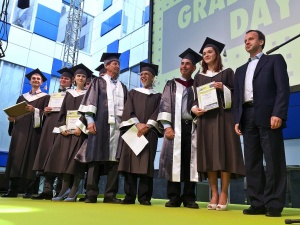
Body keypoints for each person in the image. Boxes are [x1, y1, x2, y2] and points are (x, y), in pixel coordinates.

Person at [233, 30, 290, 217]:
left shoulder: (274, 60)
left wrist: (278, 113)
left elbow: (283, 89)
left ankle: (274, 204)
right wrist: (237, 119)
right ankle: (257, 203)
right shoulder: (240, 70)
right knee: (251, 163)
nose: (247, 42)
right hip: (247, 115)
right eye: (245, 40)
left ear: (261, 41)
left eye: (251, 39)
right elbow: (237, 98)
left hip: (268, 114)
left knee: (273, 160)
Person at [191, 37, 245, 211]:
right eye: (204, 53)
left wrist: (224, 88)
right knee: (209, 154)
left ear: (217, 54)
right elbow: (194, 99)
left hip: (224, 117)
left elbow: (237, 95)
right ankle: (213, 192)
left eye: (210, 52)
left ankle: (224, 193)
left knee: (225, 153)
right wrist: (194, 109)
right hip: (206, 119)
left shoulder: (228, 72)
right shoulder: (198, 77)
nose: (206, 55)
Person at [78, 53, 128, 204]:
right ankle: (91, 193)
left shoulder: (122, 86)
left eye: (118, 64)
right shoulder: (97, 82)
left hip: (118, 127)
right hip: (100, 124)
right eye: (114, 63)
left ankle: (110, 195)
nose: (117, 66)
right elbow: (90, 101)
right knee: (94, 158)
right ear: (106, 66)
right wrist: (90, 120)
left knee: (114, 160)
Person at [158, 48, 202, 209]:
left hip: (192, 128)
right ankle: (174, 197)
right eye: (182, 63)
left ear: (194, 67)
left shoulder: (197, 85)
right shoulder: (171, 84)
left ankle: (189, 197)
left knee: (191, 163)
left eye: (188, 64)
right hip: (175, 128)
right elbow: (164, 105)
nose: (184, 66)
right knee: (174, 161)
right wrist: (167, 126)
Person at [43, 63, 92, 202]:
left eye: (83, 76)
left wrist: (80, 127)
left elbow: (87, 113)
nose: (81, 78)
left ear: (86, 79)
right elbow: (62, 113)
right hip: (66, 132)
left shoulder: (88, 94)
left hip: (79, 132)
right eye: (78, 76)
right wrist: (62, 128)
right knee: (64, 160)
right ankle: (64, 189)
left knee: (76, 162)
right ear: (74, 78)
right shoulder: (68, 94)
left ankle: (74, 189)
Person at [117, 62, 163, 205]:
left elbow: (159, 112)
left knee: (146, 164)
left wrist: (148, 125)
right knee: (129, 163)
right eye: (142, 74)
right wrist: (138, 124)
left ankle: (144, 197)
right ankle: (130, 196)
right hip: (133, 130)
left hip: (150, 132)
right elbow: (128, 109)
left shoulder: (159, 96)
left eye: (147, 74)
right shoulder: (133, 93)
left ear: (153, 77)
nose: (143, 76)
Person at [2, 69, 50, 198]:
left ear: (42, 82)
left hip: (34, 131)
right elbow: (16, 113)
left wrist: (35, 110)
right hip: (20, 130)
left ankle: (30, 190)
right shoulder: (22, 97)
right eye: (33, 78)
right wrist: (12, 119)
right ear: (30, 81)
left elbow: (46, 115)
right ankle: (12, 190)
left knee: (31, 158)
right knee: (15, 157)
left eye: (38, 79)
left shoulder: (46, 97)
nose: (35, 80)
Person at [31, 68, 73, 200]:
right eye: (61, 78)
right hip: (50, 126)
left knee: (60, 156)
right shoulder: (52, 95)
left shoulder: (73, 94)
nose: (63, 80)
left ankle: (61, 190)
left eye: (66, 78)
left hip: (63, 126)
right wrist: (46, 111)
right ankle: (47, 190)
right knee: (47, 155)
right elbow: (44, 113)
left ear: (71, 81)